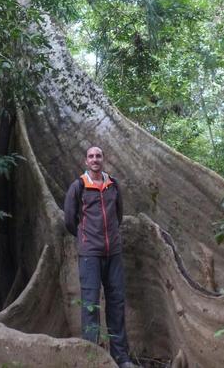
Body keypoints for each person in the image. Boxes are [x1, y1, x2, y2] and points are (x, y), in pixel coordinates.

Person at [64, 146, 135, 368]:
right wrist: (87, 238)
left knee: (116, 303)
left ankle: (121, 357)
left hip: (113, 253)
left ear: (103, 159)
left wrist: (110, 237)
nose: (95, 159)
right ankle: (91, 358)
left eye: (98, 156)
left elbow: (119, 215)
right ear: (86, 161)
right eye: (91, 156)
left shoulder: (113, 185)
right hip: (90, 255)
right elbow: (69, 220)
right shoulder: (78, 186)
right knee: (90, 306)